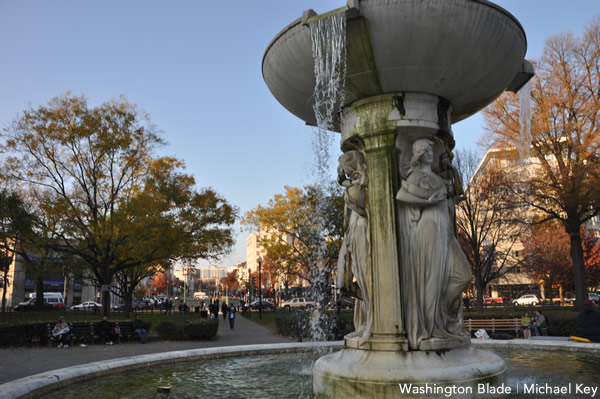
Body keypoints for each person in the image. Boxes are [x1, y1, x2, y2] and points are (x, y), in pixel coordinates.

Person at [396, 138, 472, 350]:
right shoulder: (417, 175)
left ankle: (441, 315)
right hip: (428, 228)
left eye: (431, 149)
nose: (429, 152)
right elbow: (401, 195)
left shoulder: (437, 176)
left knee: (463, 276)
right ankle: (431, 327)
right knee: (431, 278)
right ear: (418, 153)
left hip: (444, 231)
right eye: (425, 149)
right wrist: (429, 199)